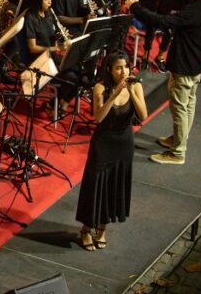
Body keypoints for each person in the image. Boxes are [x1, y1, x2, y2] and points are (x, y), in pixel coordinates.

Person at [124, 0, 201, 165]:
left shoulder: (192, 12)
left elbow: (163, 21)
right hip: (197, 63)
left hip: (184, 65)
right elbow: (191, 3)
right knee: (189, 105)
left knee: (179, 109)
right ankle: (178, 139)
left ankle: (177, 153)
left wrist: (135, 7)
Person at [75, 51, 147, 251]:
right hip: (103, 143)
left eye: (125, 66)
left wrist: (130, 91)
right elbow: (98, 117)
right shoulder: (100, 87)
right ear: (109, 69)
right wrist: (114, 95)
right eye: (118, 67)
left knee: (113, 187)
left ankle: (102, 229)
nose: (123, 71)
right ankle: (86, 229)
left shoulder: (136, 85)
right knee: (96, 186)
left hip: (124, 144)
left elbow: (143, 115)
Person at [23, 0, 76, 115]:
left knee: (80, 72)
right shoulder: (30, 18)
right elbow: (32, 48)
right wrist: (56, 47)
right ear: (38, 0)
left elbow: (50, 39)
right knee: (72, 78)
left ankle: (58, 104)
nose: (50, 2)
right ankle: (53, 104)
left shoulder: (49, 14)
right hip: (39, 61)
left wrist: (60, 36)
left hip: (51, 57)